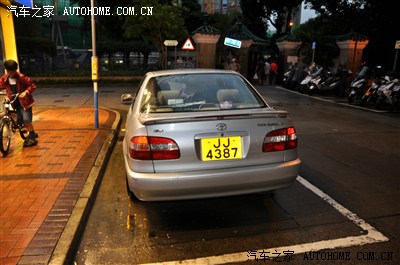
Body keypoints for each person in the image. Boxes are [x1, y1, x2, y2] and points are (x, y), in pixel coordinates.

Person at [0, 59, 38, 147]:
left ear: (16, 69)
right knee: (19, 120)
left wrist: (25, 92)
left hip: (24, 102)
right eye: (9, 71)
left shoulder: (21, 77)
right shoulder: (4, 78)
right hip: (14, 101)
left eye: (13, 71)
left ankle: (32, 136)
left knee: (26, 120)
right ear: (5, 69)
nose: (11, 73)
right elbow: (1, 86)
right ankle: (30, 132)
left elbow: (32, 85)